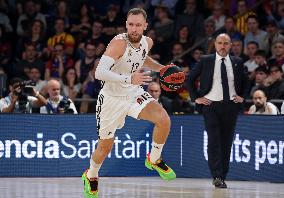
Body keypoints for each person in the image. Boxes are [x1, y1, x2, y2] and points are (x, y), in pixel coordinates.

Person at [81, 8, 176, 198]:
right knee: (105, 146)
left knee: (164, 119)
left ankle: (154, 159)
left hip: (133, 94)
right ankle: (91, 174)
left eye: (138, 25)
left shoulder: (147, 42)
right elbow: (99, 72)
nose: (134, 28)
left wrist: (162, 68)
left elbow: (143, 59)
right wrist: (129, 79)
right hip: (111, 99)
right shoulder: (118, 44)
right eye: (131, 24)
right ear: (126, 24)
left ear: (145, 26)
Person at [188, 33, 249, 188]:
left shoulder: (238, 62)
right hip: (211, 106)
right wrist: (196, 98)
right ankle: (216, 175)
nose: (223, 46)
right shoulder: (205, 60)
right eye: (220, 43)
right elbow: (190, 79)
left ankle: (223, 175)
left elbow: (246, 82)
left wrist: (243, 97)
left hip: (230, 106)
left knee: (226, 142)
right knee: (214, 141)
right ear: (215, 44)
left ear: (231, 45)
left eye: (226, 43)